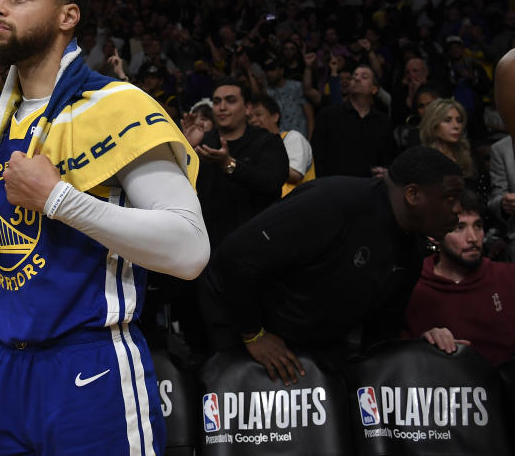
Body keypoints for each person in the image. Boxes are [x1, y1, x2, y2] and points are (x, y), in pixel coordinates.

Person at [0, 0, 209, 455]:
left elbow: (190, 251)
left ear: (68, 16)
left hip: (91, 363)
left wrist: (57, 199)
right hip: (3, 367)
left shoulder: (119, 106)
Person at [201, 146, 463, 385]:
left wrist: (429, 351)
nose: (458, 209)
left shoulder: (413, 250)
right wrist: (254, 335)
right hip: (242, 320)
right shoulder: (333, 202)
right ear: (413, 194)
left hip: (311, 337)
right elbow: (237, 257)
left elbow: (381, 337)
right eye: (450, 198)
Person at [404, 190, 515, 366]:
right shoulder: (412, 285)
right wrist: (423, 345)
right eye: (459, 228)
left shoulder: (508, 278)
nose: (473, 238)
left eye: (477, 226)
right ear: (435, 235)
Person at [192, 77, 288, 243]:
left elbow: (272, 182)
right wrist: (185, 147)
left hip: (256, 240)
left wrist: (228, 164)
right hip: (210, 242)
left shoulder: (266, 141)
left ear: (247, 108)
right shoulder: (203, 142)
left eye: (230, 101)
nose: (222, 107)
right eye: (216, 102)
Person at [311, 64, 395, 177]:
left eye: (364, 77)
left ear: (374, 89)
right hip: (334, 188)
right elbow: (316, 156)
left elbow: (388, 158)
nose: (356, 78)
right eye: (354, 76)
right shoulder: (328, 115)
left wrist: (385, 173)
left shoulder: (382, 121)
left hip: (370, 189)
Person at [250, 93, 315, 197]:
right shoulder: (254, 146)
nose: (253, 120)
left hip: (297, 205)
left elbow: (295, 174)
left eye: (258, 115)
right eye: (249, 118)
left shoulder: (292, 138)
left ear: (275, 117)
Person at [419, 98, 475, 179]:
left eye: (459, 121)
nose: (456, 126)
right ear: (433, 125)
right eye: (447, 120)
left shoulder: (465, 153)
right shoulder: (424, 158)